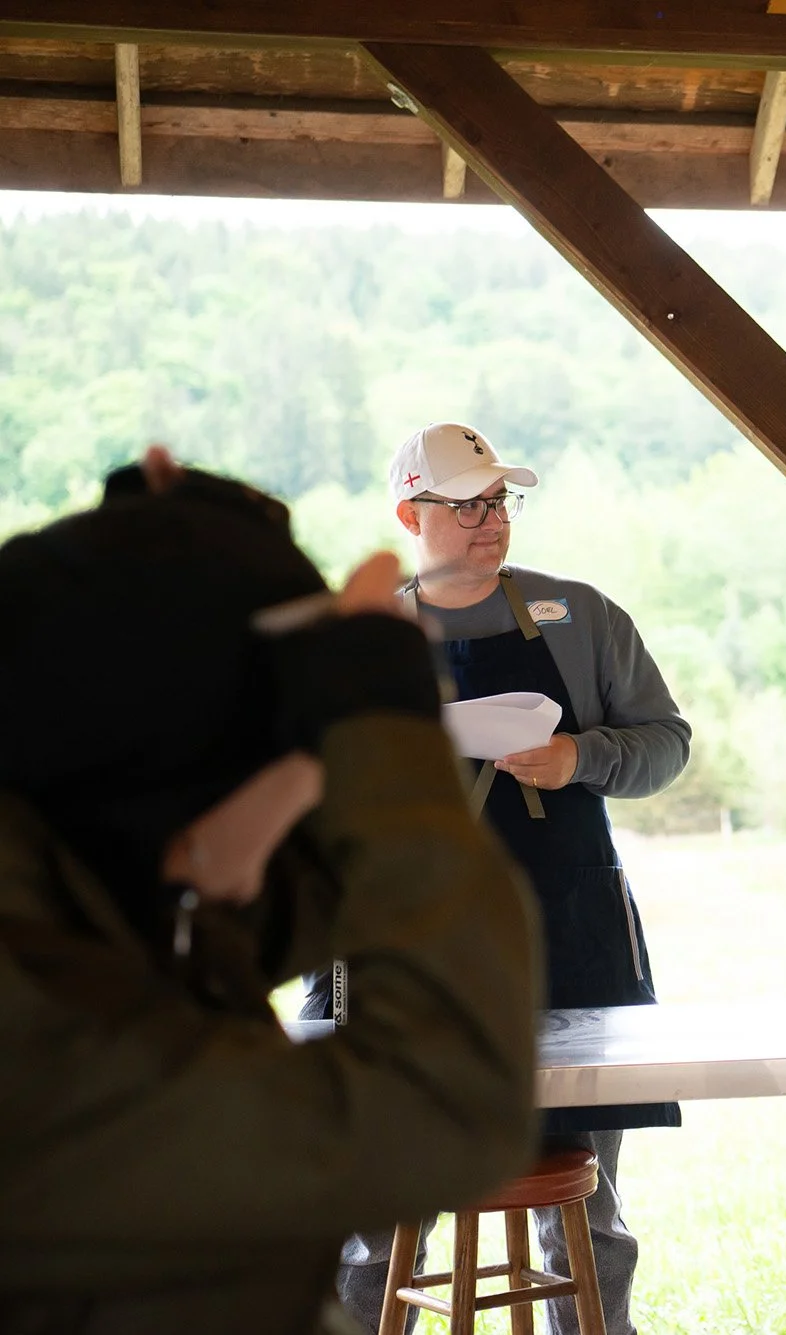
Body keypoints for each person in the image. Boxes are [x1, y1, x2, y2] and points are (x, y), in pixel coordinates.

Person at [0, 450, 540, 1331]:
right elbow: (446, 1103)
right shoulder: (42, 1060)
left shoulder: (74, 896)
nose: (317, 796)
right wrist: (385, 734)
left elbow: (260, 904)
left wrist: (204, 558)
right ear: (177, 801)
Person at [308, 422, 692, 1335]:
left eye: (500, 501)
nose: (491, 520)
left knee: (589, 1215)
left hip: (571, 934)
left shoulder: (583, 615)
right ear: (410, 512)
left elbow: (667, 744)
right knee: (373, 1215)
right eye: (467, 504)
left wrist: (579, 755)